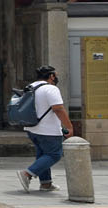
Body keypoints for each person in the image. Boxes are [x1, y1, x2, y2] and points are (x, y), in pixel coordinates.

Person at [17, 64, 73, 192]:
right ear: (51, 76)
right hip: (48, 130)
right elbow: (58, 108)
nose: (56, 78)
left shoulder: (31, 86)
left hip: (32, 128)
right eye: (56, 75)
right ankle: (27, 173)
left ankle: (46, 183)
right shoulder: (50, 89)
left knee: (42, 154)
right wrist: (69, 126)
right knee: (54, 154)